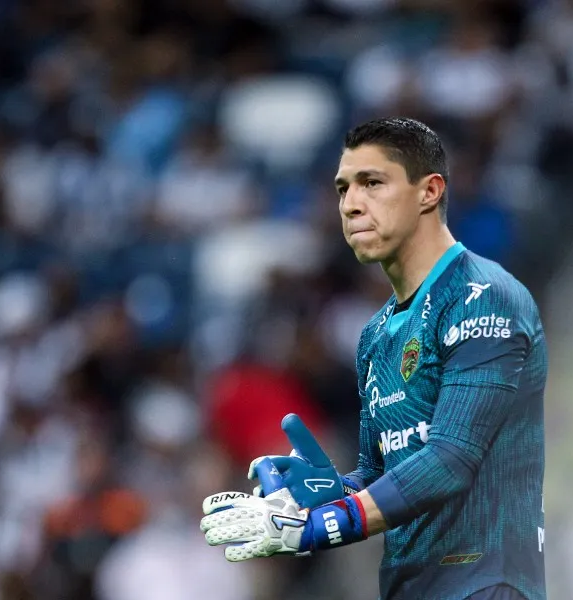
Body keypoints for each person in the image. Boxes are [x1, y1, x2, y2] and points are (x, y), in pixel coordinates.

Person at [200, 117, 547, 600]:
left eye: (372, 184)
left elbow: (451, 459)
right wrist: (328, 493)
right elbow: (382, 469)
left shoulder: (484, 298)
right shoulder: (377, 333)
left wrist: (328, 523)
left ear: (429, 192)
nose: (352, 205)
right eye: (344, 189)